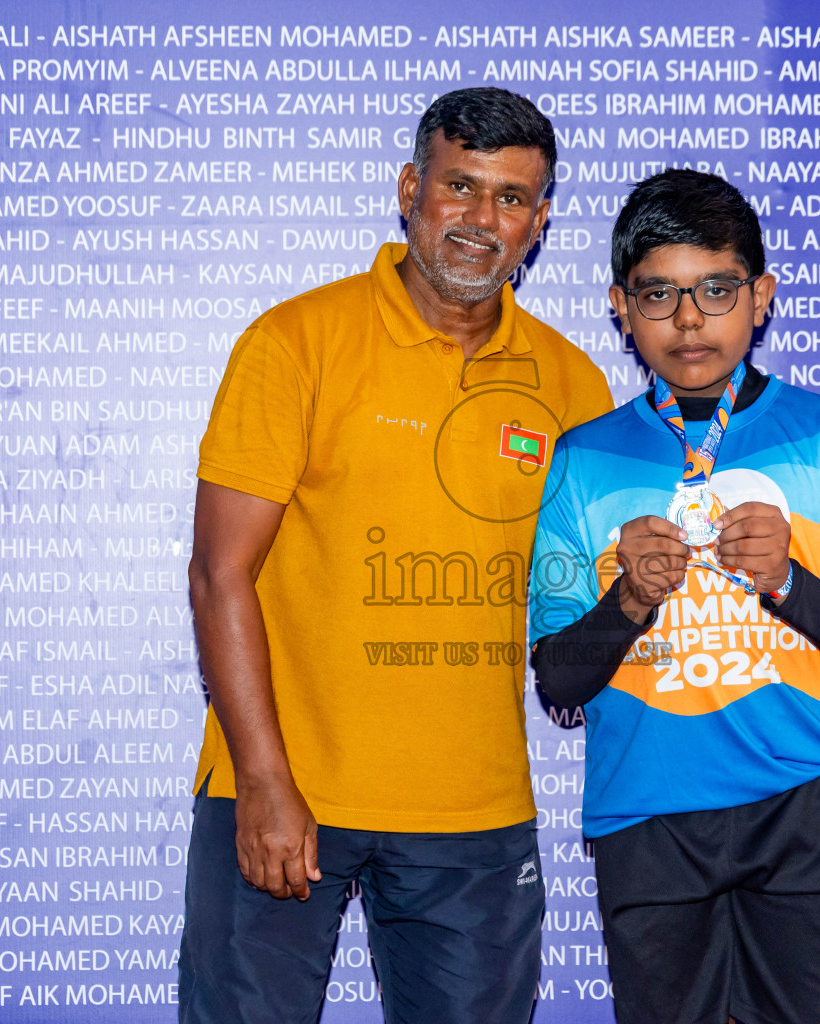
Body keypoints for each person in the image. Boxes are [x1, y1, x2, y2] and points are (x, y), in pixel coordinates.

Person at [180, 87, 613, 1024]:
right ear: (412, 188)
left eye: (509, 199)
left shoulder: (574, 384)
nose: (479, 220)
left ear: (539, 223)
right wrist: (262, 781)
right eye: (460, 187)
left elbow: (597, 597)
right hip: (288, 792)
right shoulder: (296, 341)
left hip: (476, 815)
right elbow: (220, 575)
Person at [528, 169, 820, 1024]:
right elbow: (558, 679)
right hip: (650, 813)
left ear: (761, 296)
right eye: (659, 293)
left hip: (811, 808)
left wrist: (785, 581)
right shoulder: (583, 461)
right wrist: (628, 599)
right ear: (620, 307)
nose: (690, 319)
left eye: (716, 288)